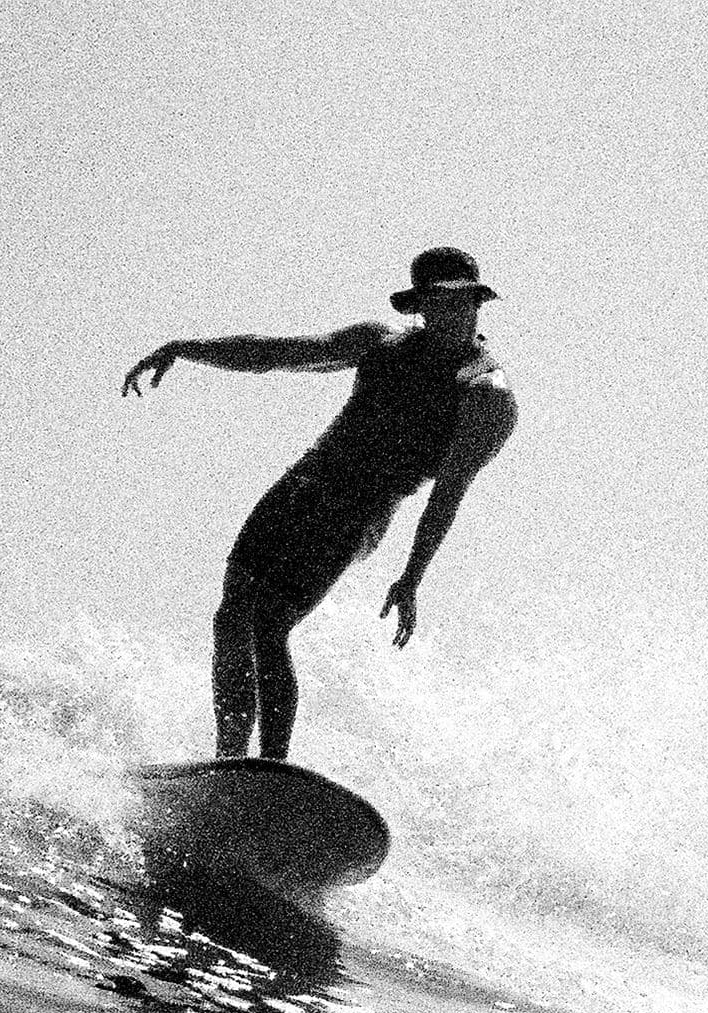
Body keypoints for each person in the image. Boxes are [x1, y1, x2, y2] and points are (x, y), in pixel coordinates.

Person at [122, 247, 518, 760]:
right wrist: (185, 348)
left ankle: (272, 768)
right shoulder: (380, 343)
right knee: (232, 616)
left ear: (478, 303)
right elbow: (276, 354)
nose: (455, 313)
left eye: (464, 301)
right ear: (420, 305)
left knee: (269, 623)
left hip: (359, 513)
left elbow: (448, 495)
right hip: (301, 487)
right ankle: (230, 762)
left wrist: (412, 576)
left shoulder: (486, 395)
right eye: (441, 302)